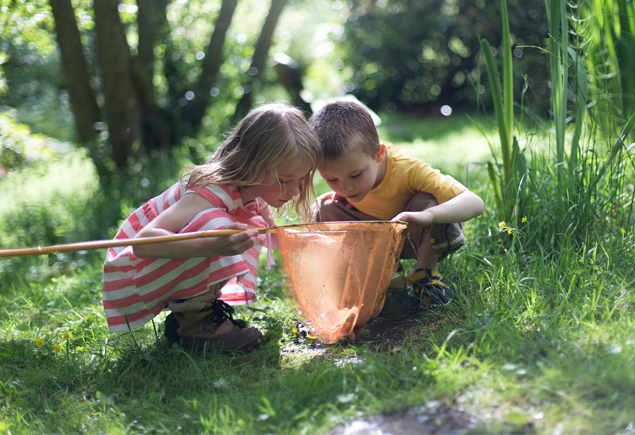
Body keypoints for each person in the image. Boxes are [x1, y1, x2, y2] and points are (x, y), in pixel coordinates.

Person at [102, 104, 322, 353]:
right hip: (131, 272)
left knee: (250, 227)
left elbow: (274, 236)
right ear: (253, 164)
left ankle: (188, 318)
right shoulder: (211, 192)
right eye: (285, 180)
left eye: (301, 180)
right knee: (220, 227)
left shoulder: (254, 191)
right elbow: (144, 243)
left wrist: (307, 247)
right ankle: (197, 326)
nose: (294, 191)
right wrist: (215, 244)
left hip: (158, 269)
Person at [310, 101, 484, 307]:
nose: (346, 188)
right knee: (321, 210)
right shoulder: (347, 181)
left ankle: (425, 274)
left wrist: (428, 216)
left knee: (430, 201)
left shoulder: (407, 168)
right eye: (332, 180)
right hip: (377, 239)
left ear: (379, 153)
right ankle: (379, 274)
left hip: (415, 237)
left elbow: (475, 203)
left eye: (355, 175)